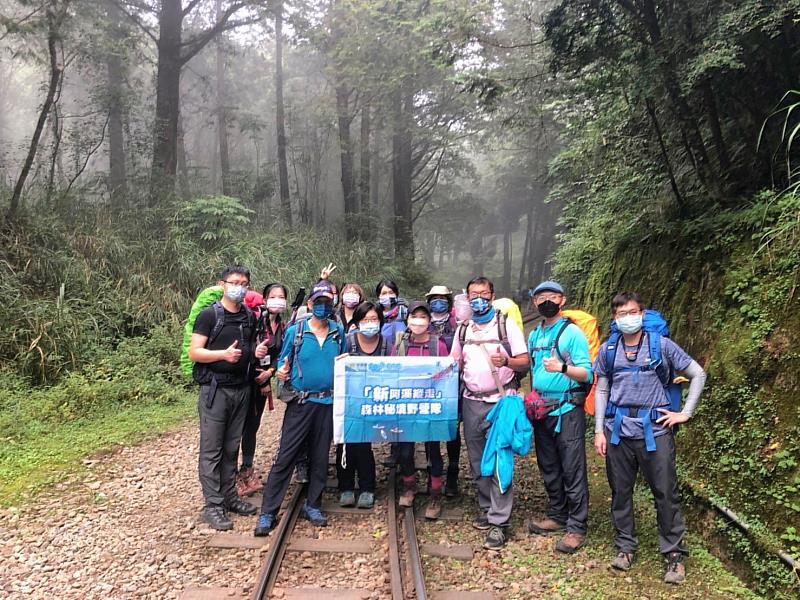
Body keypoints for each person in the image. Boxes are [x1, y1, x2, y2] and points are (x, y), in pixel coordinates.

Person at [593, 291, 706, 584]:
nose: (627, 318)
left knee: (666, 493)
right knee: (620, 492)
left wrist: (685, 412)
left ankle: (674, 555)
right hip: (618, 431)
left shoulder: (662, 346)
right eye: (621, 314)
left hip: (656, 430)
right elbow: (602, 390)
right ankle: (625, 547)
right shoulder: (608, 350)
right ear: (614, 318)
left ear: (642, 314)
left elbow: (697, 373)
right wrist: (598, 431)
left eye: (632, 312)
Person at [254, 279, 347, 535]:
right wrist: (281, 372)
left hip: (327, 402)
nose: (322, 307)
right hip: (301, 402)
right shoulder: (296, 332)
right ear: (310, 303)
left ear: (333, 305)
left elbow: (345, 364)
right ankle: (268, 512)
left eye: (327, 303)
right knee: (286, 455)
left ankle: (313, 504)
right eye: (318, 302)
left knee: (320, 456)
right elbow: (283, 362)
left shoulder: (339, 333)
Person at [450, 277, 530, 550]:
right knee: (476, 462)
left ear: (493, 295)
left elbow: (524, 361)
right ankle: (486, 507)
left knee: (499, 461)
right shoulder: (462, 329)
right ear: (467, 297)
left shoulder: (505, 324)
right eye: (473, 295)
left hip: (501, 402)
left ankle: (499, 522)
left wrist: (506, 361)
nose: (478, 299)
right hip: (471, 402)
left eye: (484, 294)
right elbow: (453, 364)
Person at [188, 266, 270, 530]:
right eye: (234, 282)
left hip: (242, 389)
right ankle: (213, 505)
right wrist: (222, 355)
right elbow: (195, 353)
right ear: (222, 284)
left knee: (232, 447)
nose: (240, 287)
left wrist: (255, 352)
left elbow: (248, 348)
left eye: (244, 283)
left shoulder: (248, 316)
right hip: (215, 390)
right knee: (212, 449)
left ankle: (230, 497)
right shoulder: (209, 316)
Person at [526, 281, 593, 554]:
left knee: (572, 466)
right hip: (542, 409)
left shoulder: (572, 333)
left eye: (551, 296)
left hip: (567, 409)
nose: (546, 301)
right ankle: (557, 514)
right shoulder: (535, 334)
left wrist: (562, 367)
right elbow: (531, 370)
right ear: (534, 303)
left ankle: (577, 527)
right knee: (549, 464)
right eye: (541, 297)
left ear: (562, 299)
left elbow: (587, 373)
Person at [391, 300, 450, 519]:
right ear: (407, 320)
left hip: (431, 405)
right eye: (414, 316)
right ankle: (409, 484)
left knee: (433, 450)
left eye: (423, 317)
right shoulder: (400, 345)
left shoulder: (438, 344)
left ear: (429, 320)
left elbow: (448, 373)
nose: (418, 321)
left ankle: (435, 492)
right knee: (405, 450)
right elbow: (390, 372)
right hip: (406, 405)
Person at [236, 283, 287, 497]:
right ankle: (232, 476)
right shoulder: (254, 320)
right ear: (265, 299)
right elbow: (245, 347)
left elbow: (279, 354)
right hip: (246, 382)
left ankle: (247, 469)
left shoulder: (282, 326)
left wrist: (271, 372)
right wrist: (261, 376)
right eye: (273, 296)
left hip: (262, 383)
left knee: (252, 428)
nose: (277, 300)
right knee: (237, 429)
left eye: (281, 296)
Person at [336, 301, 387, 509]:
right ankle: (346, 487)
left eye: (374, 320)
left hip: (374, 400)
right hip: (348, 399)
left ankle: (367, 487)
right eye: (365, 320)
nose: (370, 323)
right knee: (345, 442)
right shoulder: (347, 340)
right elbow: (335, 363)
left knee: (364, 444)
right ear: (357, 323)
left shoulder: (385, 342)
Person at [425, 285, 461, 497]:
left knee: (452, 431)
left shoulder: (457, 323)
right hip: (429, 387)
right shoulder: (422, 322)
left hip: (451, 386)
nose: (438, 302)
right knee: (431, 432)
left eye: (442, 299)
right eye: (434, 299)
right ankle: (434, 472)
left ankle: (453, 472)